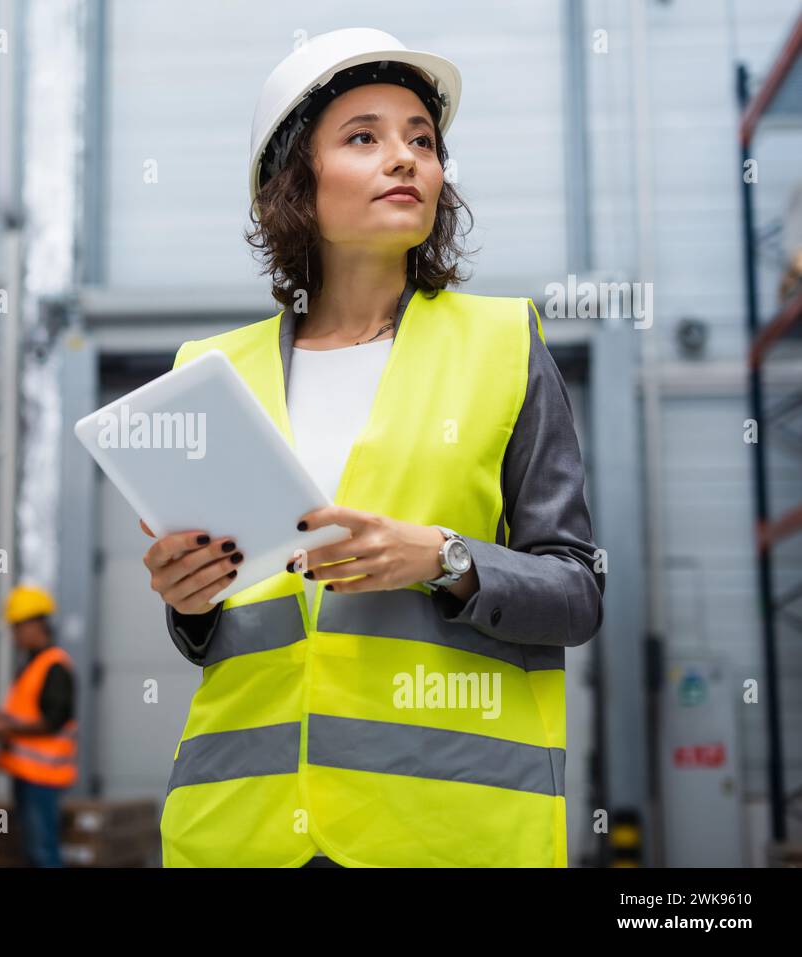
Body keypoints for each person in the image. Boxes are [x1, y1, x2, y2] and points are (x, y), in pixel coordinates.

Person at [141, 28, 605, 867]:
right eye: (365, 137)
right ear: (294, 183)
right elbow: (226, 626)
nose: (407, 159)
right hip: (238, 829)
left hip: (441, 829)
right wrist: (189, 601)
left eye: (422, 141)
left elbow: (577, 590)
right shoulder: (211, 373)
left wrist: (446, 556)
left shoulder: (503, 345)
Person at [0, 584, 77, 868]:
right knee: (34, 852)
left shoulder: (54, 666)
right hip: (28, 774)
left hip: (43, 776)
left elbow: (54, 721)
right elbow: (24, 717)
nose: (14, 634)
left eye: (18, 626)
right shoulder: (32, 665)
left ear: (37, 624)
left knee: (43, 852)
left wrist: (5, 728)